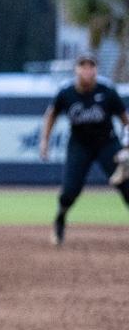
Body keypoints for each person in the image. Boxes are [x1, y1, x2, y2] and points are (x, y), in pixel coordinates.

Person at [40, 52, 129, 245]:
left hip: (107, 143)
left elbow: (125, 118)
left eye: (91, 66)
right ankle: (60, 219)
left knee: (126, 186)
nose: (87, 70)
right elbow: (51, 114)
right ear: (76, 69)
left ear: (96, 70)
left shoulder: (107, 91)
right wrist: (44, 141)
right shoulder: (66, 93)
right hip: (79, 145)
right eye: (83, 66)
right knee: (70, 191)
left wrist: (127, 144)